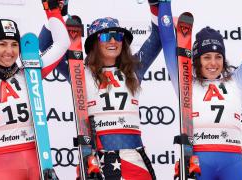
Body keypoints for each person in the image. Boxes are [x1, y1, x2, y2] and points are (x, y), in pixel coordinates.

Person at [39, 1, 162, 179]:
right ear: (94, 44)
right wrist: (60, 12)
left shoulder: (134, 69)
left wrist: (156, 6)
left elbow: (157, 38)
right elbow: (45, 47)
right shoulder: (78, 71)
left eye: (118, 36)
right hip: (97, 158)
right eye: (106, 37)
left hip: (134, 157)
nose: (113, 41)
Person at [0, 1, 70, 180]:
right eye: (3, 44)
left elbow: (62, 43)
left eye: (14, 44)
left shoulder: (30, 73)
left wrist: (52, 10)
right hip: (2, 169)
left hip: (39, 164)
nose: (9, 51)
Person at [158, 1, 242, 179]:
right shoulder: (185, 82)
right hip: (199, 162)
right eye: (206, 57)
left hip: (232, 164)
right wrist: (164, 3)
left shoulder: (237, 82)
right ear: (197, 60)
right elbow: (168, 40)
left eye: (218, 57)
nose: (213, 63)